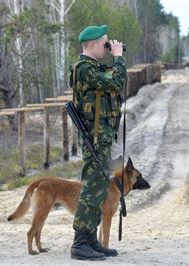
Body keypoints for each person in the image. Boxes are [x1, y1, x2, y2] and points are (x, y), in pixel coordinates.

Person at [69, 24, 126, 261]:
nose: (108, 46)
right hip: (94, 137)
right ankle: (80, 242)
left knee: (99, 187)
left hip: (100, 136)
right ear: (92, 44)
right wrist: (119, 59)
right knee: (92, 188)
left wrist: (115, 59)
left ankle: (91, 239)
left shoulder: (94, 68)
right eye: (104, 42)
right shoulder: (84, 68)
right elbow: (115, 82)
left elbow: (110, 81)